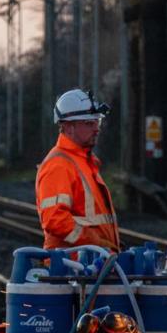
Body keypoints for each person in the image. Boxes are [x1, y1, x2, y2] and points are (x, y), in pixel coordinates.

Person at [35, 89, 121, 252]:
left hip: (90, 266)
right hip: (71, 268)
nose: (97, 129)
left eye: (98, 122)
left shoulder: (84, 162)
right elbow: (55, 219)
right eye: (89, 123)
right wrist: (97, 244)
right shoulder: (59, 165)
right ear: (68, 127)